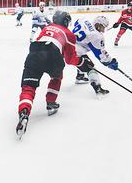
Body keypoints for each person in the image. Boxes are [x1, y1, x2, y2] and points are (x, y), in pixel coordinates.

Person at [16, 10, 93, 138]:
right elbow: (70, 59)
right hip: (52, 53)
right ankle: (51, 103)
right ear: (66, 21)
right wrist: (82, 63)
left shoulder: (46, 27)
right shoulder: (69, 34)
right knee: (57, 77)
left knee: (28, 87)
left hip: (34, 52)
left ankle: (24, 112)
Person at [72, 15, 118, 95]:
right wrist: (109, 62)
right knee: (91, 67)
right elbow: (100, 54)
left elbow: (76, 24)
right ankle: (98, 88)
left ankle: (80, 76)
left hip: (66, 44)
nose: (103, 30)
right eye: (103, 27)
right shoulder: (96, 36)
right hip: (74, 52)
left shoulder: (83, 20)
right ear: (98, 24)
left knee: (83, 60)